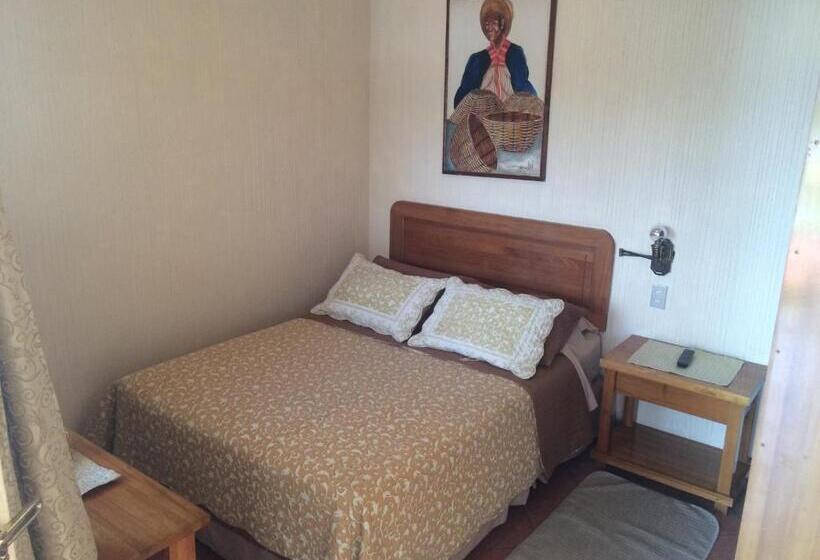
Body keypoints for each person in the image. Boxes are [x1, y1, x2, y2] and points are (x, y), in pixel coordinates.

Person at [454, 0, 537, 108]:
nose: (489, 28)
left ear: (502, 24)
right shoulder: (477, 59)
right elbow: (462, 98)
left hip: (510, 114)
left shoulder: (515, 53)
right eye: (486, 24)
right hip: (483, 114)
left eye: (493, 23)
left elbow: (523, 87)